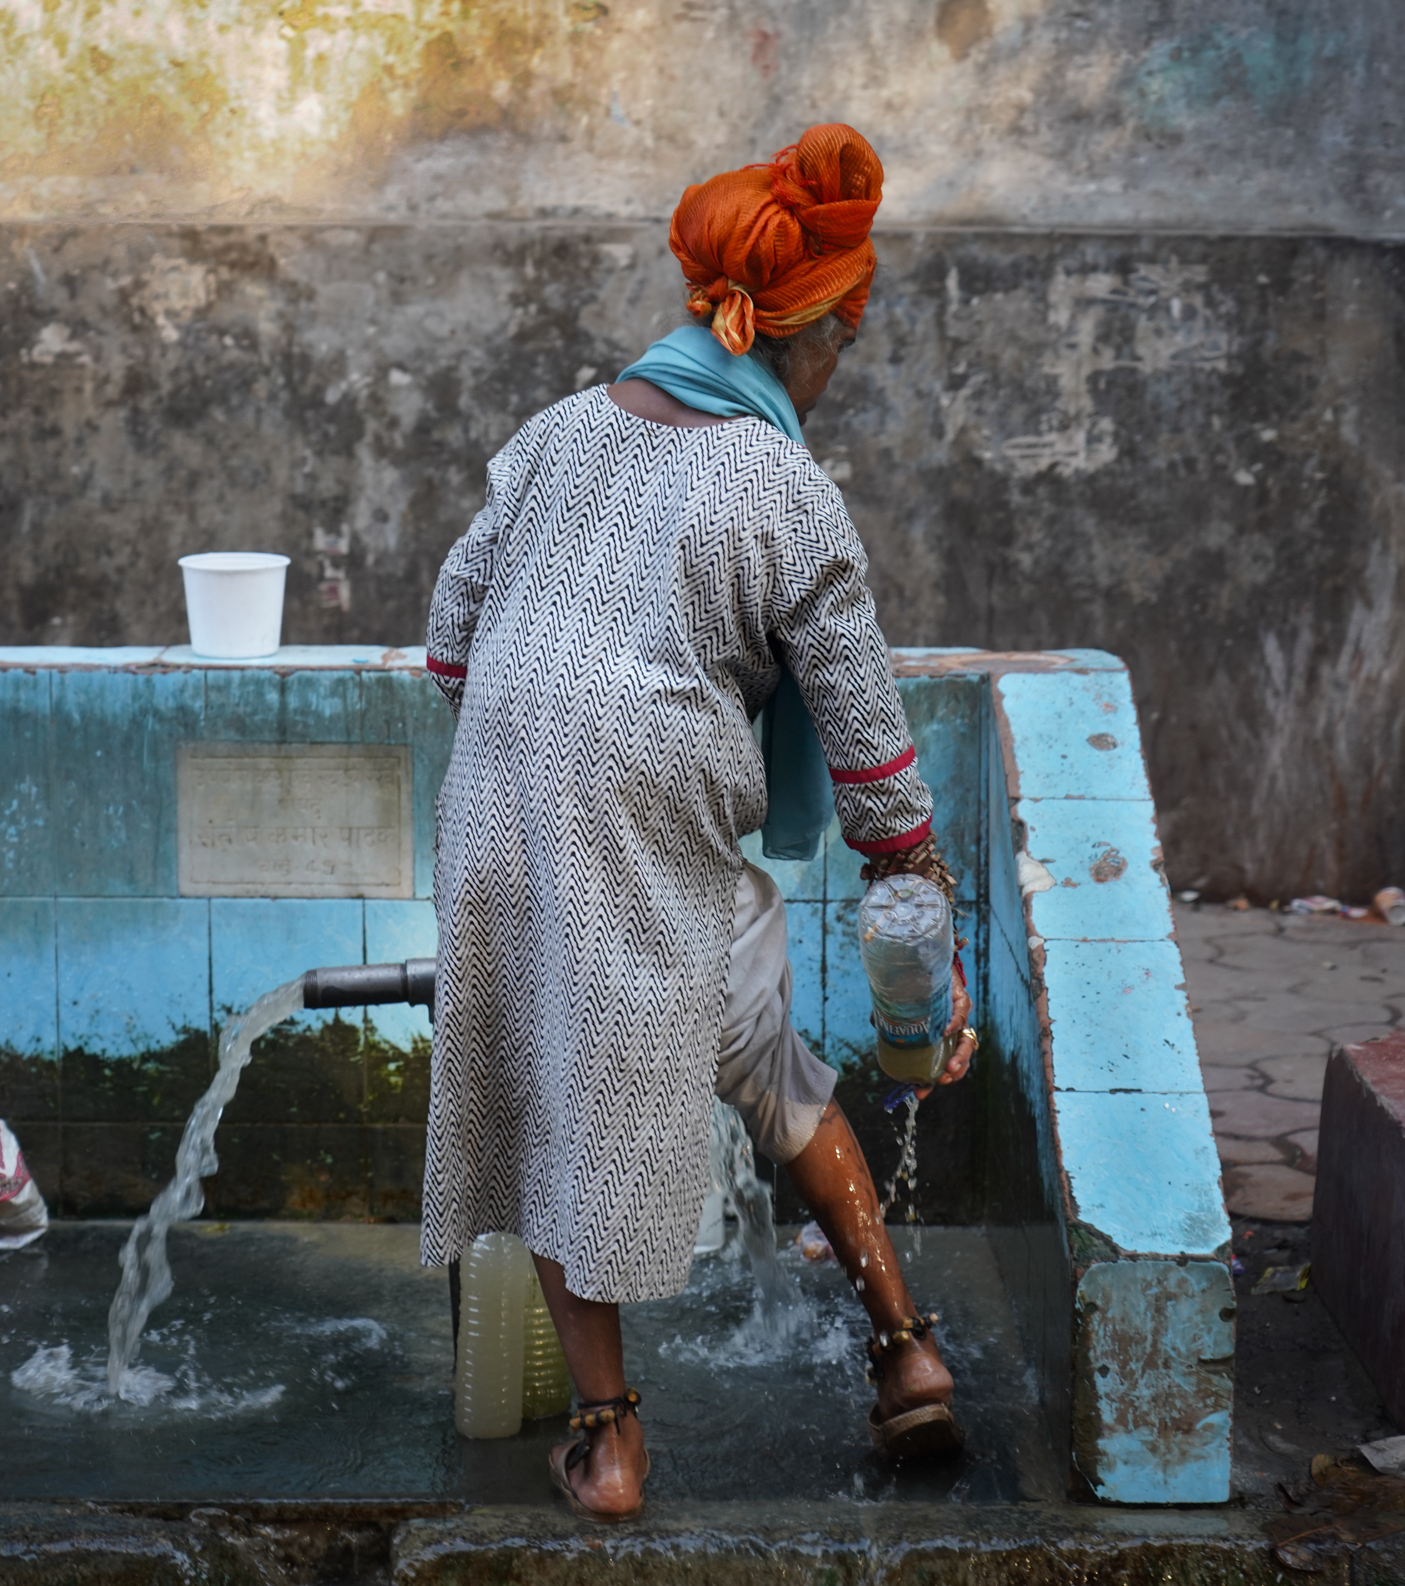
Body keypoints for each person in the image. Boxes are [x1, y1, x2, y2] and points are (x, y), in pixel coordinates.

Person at [421, 123, 975, 1523]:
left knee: (605, 1075)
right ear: (833, 329)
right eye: (855, 333)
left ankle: (637, 1433)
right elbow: (869, 750)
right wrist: (930, 918)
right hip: (650, 790)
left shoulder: (552, 434)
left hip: (509, 781)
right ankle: (889, 1354)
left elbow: (450, 635)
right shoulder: (786, 487)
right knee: (700, 1073)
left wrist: (539, 749)